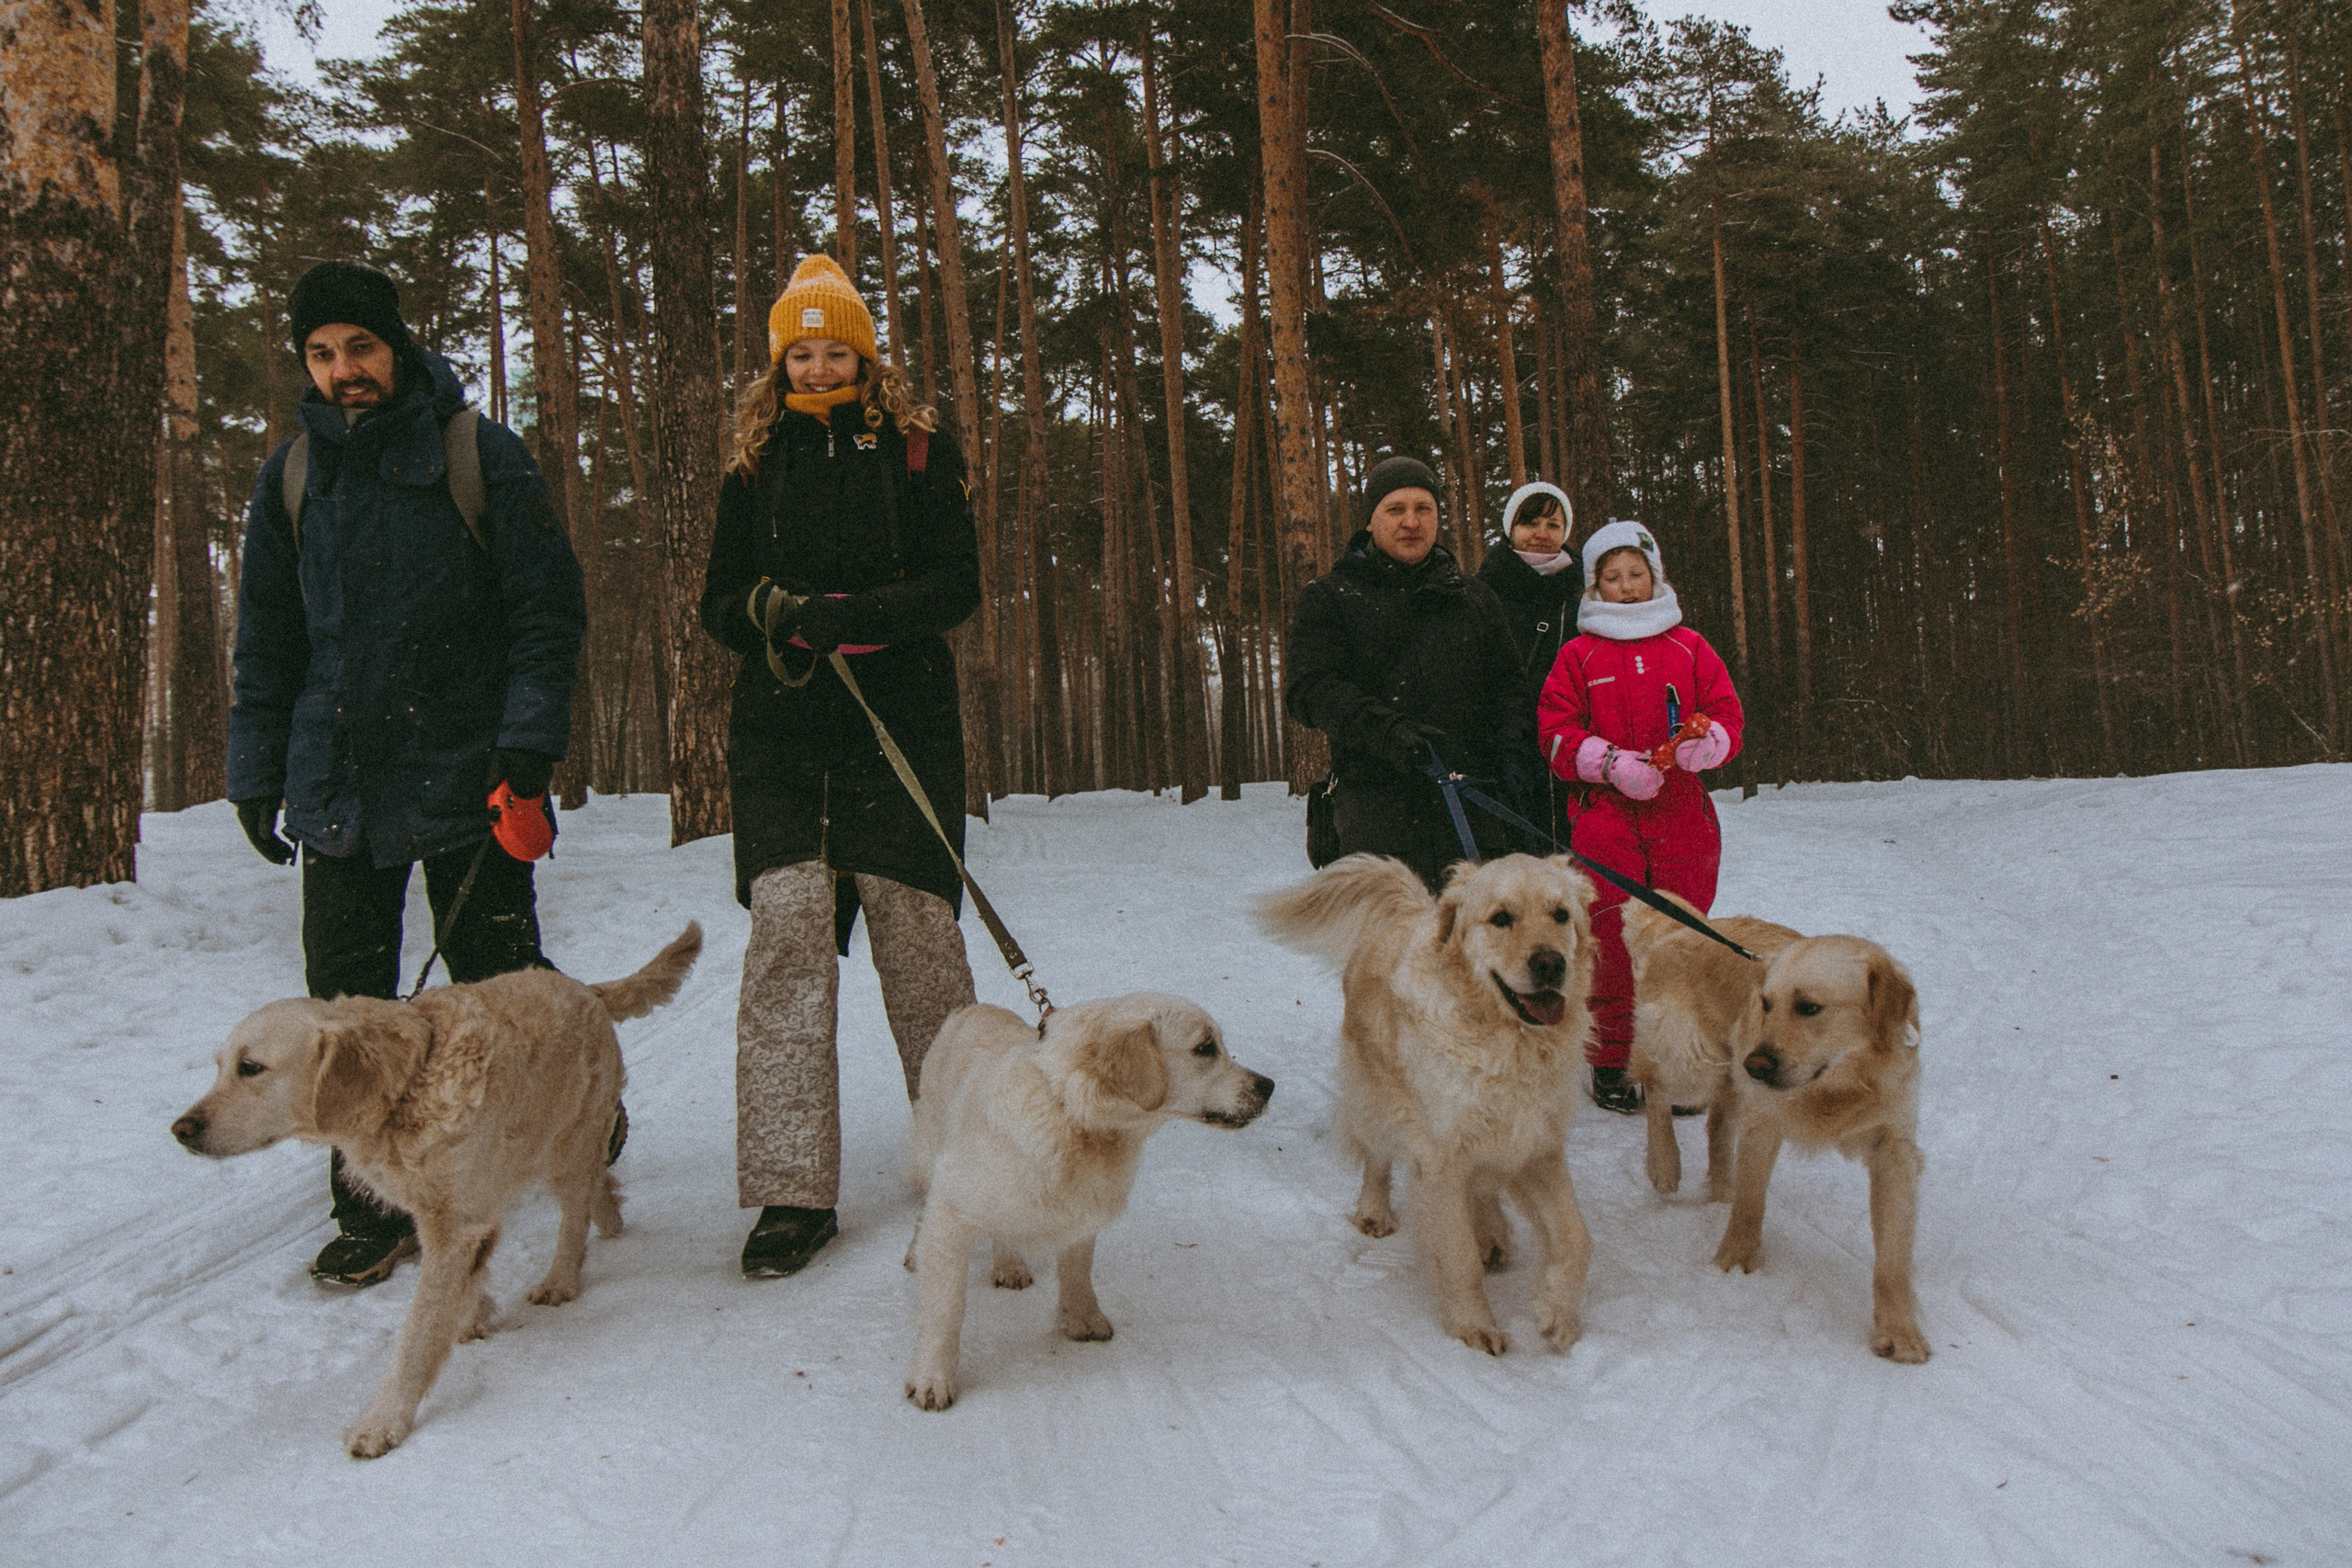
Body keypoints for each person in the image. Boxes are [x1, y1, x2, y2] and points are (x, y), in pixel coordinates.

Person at [226, 259, 588, 1284]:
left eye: (362, 349)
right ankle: (376, 1203)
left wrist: (526, 740)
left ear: (399, 348)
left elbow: (543, 608)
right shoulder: (291, 476)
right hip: (337, 786)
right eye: (323, 354)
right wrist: (257, 770)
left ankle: (563, 1121)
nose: (345, 370)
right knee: (343, 1019)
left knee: (501, 995)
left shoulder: (480, 454)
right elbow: (268, 637)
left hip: (471, 773)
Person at [699, 254, 982, 1279]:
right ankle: (788, 1190)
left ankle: (967, 1157)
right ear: (778, 364)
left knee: (919, 949)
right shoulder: (753, 463)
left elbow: (956, 585)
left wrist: (852, 620)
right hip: (781, 736)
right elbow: (718, 600)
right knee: (783, 951)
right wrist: (770, 615)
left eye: (834, 349)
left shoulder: (916, 451)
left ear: (865, 356)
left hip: (899, 725)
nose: (817, 367)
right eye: (799, 352)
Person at [1535, 521, 1742, 1113]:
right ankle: (1615, 1060)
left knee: (1683, 937)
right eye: (1612, 577)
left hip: (1683, 818)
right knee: (1610, 938)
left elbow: (1727, 713)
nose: (1626, 587)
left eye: (1636, 574)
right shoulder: (1578, 655)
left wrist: (1712, 745)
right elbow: (1554, 735)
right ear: (1595, 587)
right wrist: (1608, 763)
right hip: (1606, 819)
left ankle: (1682, 1060)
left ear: (1655, 577)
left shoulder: (1690, 646)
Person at [1285, 457, 1521, 893]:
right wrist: (1389, 731)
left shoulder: (1476, 599)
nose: (1411, 522)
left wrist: (1509, 774)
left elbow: (1509, 693)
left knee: (1475, 955)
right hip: (1375, 807)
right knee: (1386, 954)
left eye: (1423, 508)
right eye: (1396, 510)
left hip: (1474, 808)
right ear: (1371, 522)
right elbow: (1309, 687)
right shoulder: (1330, 597)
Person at [1475, 481, 1579, 844]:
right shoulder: (1480, 593)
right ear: (1511, 529)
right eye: (1530, 522)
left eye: (1553, 525)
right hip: (1502, 749)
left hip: (1570, 751)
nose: (1541, 533)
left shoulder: (1584, 593)